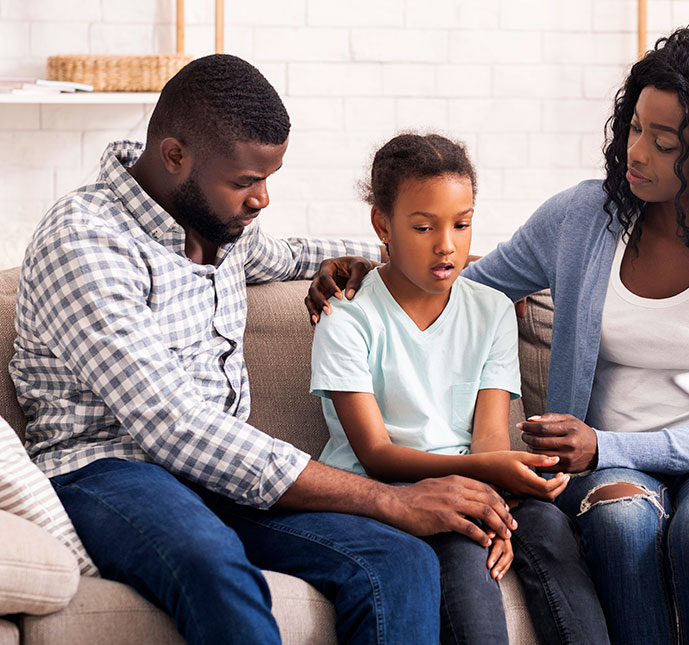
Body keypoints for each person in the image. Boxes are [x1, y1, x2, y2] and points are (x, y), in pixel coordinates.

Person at [308, 24, 689, 644]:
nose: (636, 152)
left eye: (664, 142)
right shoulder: (584, 218)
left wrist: (605, 447)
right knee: (620, 525)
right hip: (604, 467)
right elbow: (468, 282)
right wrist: (370, 264)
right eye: (634, 128)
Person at [9, 54, 518, 645]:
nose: (262, 200)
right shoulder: (86, 239)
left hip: (224, 482)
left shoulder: (220, 232)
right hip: (114, 471)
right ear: (176, 157)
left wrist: (417, 260)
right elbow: (176, 428)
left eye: (268, 179)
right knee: (212, 562)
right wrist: (388, 501)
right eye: (245, 182)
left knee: (398, 561)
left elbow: (296, 253)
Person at [310, 132, 609, 644]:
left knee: (551, 527)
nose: (446, 244)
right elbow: (377, 454)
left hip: (476, 479)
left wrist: (498, 486)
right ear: (383, 224)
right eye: (423, 227)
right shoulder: (348, 320)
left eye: (462, 224)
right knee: (464, 545)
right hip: (387, 492)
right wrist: (485, 480)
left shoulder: (491, 310)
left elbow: (490, 434)